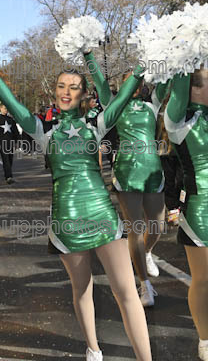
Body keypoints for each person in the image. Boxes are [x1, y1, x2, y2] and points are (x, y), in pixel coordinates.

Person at [0, 52, 152, 361]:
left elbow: (124, 95)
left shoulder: (97, 126)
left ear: (84, 94)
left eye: (74, 87)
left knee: (127, 292)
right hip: (68, 221)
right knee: (82, 289)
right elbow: (16, 107)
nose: (66, 91)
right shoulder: (45, 133)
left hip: (103, 216)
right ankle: (93, 349)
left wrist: (144, 63)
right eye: (61, 86)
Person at [85, 50, 169, 307]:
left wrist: (170, 49)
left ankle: (148, 252)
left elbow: (166, 80)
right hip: (126, 171)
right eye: (131, 80)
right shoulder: (114, 105)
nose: (137, 84)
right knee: (136, 228)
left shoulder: (152, 104)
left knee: (157, 224)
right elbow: (99, 80)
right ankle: (144, 284)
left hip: (152, 170)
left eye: (139, 80)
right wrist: (89, 55)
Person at [164, 67, 208, 361]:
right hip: (201, 211)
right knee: (204, 280)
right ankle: (205, 339)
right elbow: (179, 85)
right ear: (193, 88)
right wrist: (182, 45)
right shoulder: (179, 120)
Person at [0, 104, 20, 184]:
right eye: (4, 108)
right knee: (5, 160)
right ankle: (8, 176)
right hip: (2, 143)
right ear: (1, 109)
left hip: (10, 143)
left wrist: (18, 141)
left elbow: (15, 131)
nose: (6, 110)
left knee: (10, 159)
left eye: (7, 108)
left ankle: (8, 173)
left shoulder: (11, 119)